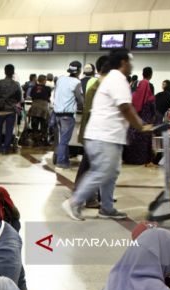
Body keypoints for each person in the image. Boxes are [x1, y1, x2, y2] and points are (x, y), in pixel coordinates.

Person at [62, 49, 152, 221]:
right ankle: (74, 202)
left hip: (108, 135)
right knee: (103, 171)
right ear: (124, 62)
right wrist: (140, 126)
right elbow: (125, 107)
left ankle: (107, 208)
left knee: (111, 172)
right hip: (104, 136)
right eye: (130, 62)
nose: (132, 66)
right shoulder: (117, 79)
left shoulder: (112, 79)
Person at [73, 56, 109, 209]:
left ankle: (95, 196)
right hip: (95, 133)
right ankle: (87, 197)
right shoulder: (97, 86)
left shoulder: (95, 84)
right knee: (92, 166)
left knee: (90, 164)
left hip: (93, 132)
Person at [52, 61, 84, 169]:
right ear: (79, 71)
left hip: (56, 113)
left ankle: (64, 161)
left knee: (61, 139)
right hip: (68, 115)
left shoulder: (60, 79)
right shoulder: (76, 82)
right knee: (64, 141)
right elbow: (80, 100)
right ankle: (61, 162)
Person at [123, 66, 156, 166]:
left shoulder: (134, 97)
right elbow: (153, 112)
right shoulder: (151, 99)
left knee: (133, 143)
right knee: (144, 143)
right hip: (145, 126)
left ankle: (129, 159)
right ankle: (142, 160)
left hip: (133, 125)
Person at [0, 64, 22, 154]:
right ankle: (6, 149)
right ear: (13, 73)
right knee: (9, 131)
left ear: (4, 72)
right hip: (11, 111)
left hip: (0, 110)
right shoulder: (16, 84)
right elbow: (19, 98)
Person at [27, 74, 52, 145]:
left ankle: (35, 140)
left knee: (34, 125)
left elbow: (31, 96)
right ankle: (43, 140)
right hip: (43, 108)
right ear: (44, 80)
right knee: (44, 125)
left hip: (34, 107)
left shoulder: (33, 88)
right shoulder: (48, 88)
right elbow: (48, 96)